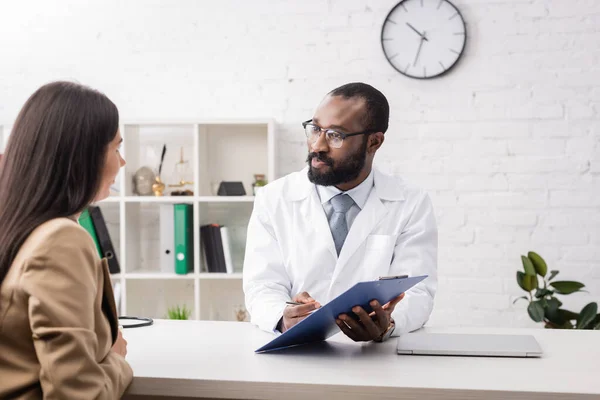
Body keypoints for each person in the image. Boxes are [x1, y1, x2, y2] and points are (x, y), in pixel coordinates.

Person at [243, 82, 437, 342]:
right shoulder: (274, 199)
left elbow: (417, 292)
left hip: (375, 360)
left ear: (374, 142)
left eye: (335, 135)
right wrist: (283, 316)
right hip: (297, 355)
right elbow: (261, 285)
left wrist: (388, 323)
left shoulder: (411, 203)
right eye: (315, 129)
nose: (317, 145)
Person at [0, 81, 132, 398]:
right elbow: (77, 395)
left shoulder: (21, 230)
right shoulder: (61, 240)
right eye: (116, 148)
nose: (122, 162)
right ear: (82, 158)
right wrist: (116, 360)